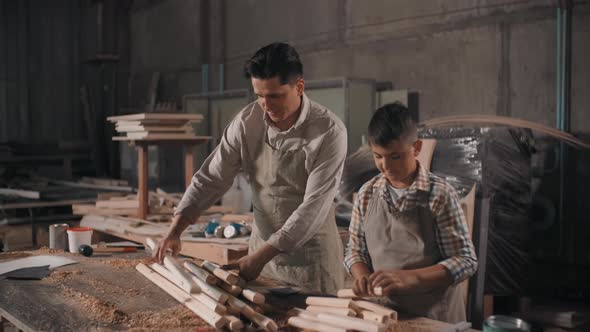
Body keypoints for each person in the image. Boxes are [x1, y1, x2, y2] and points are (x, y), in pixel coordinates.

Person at [155, 42, 347, 294]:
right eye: (259, 96)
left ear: (299, 87)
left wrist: (260, 256)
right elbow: (211, 177)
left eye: (275, 96)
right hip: (259, 258)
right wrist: (175, 229)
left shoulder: (328, 131)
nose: (266, 105)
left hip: (311, 262)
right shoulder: (247, 122)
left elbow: (314, 208)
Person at [344, 102, 478, 322]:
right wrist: (361, 275)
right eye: (378, 156)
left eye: (395, 156)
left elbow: (465, 261)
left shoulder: (439, 194)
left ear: (416, 147)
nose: (385, 166)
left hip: (434, 316)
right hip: (385, 314)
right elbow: (354, 249)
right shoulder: (367, 193)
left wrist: (410, 278)